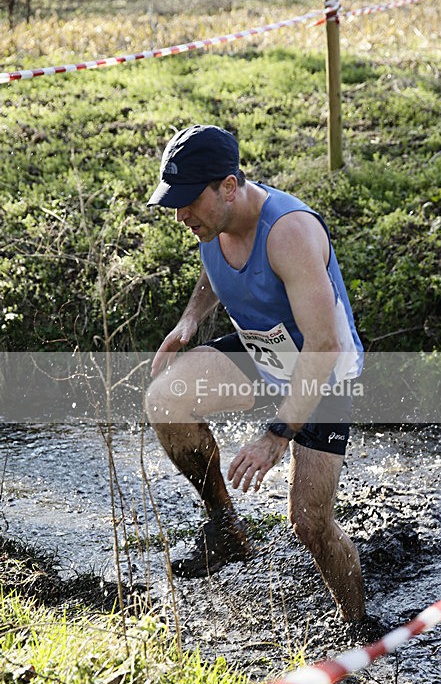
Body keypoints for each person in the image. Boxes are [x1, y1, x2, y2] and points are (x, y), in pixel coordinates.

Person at [145, 124, 366, 624]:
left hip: (321, 369)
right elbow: (214, 266)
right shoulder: (213, 220)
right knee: (165, 399)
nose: (181, 217)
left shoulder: (290, 233)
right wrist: (191, 318)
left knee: (310, 523)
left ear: (228, 186)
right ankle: (226, 528)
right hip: (266, 351)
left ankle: (361, 634)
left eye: (188, 203)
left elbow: (324, 346)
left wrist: (275, 438)